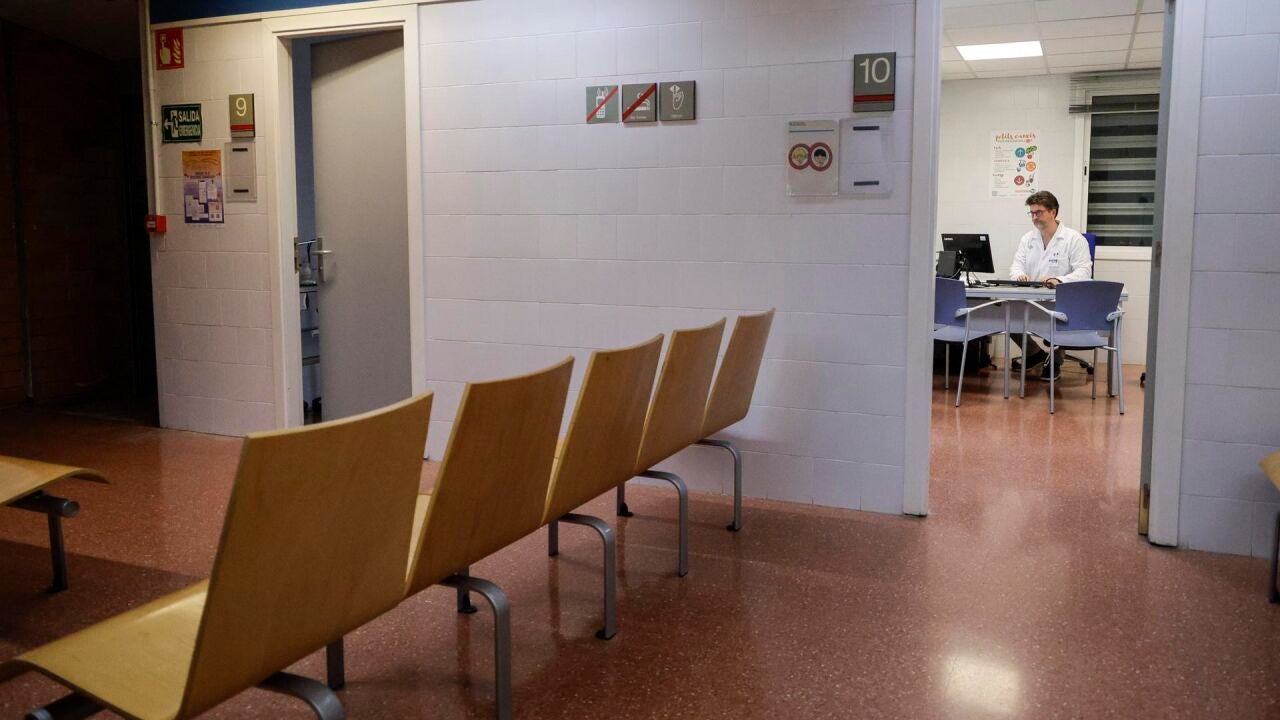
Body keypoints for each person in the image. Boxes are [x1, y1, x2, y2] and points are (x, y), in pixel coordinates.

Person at [1008, 190, 1092, 380]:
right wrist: (1019, 275)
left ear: (1053, 212)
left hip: (1062, 301)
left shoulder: (1074, 239)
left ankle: (1055, 361)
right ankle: (1034, 354)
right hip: (1033, 299)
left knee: (1059, 320)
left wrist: (1060, 280)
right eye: (1032, 213)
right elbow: (1016, 265)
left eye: (1039, 212)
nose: (1034, 217)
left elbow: (1084, 272)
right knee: (1007, 316)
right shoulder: (1028, 239)